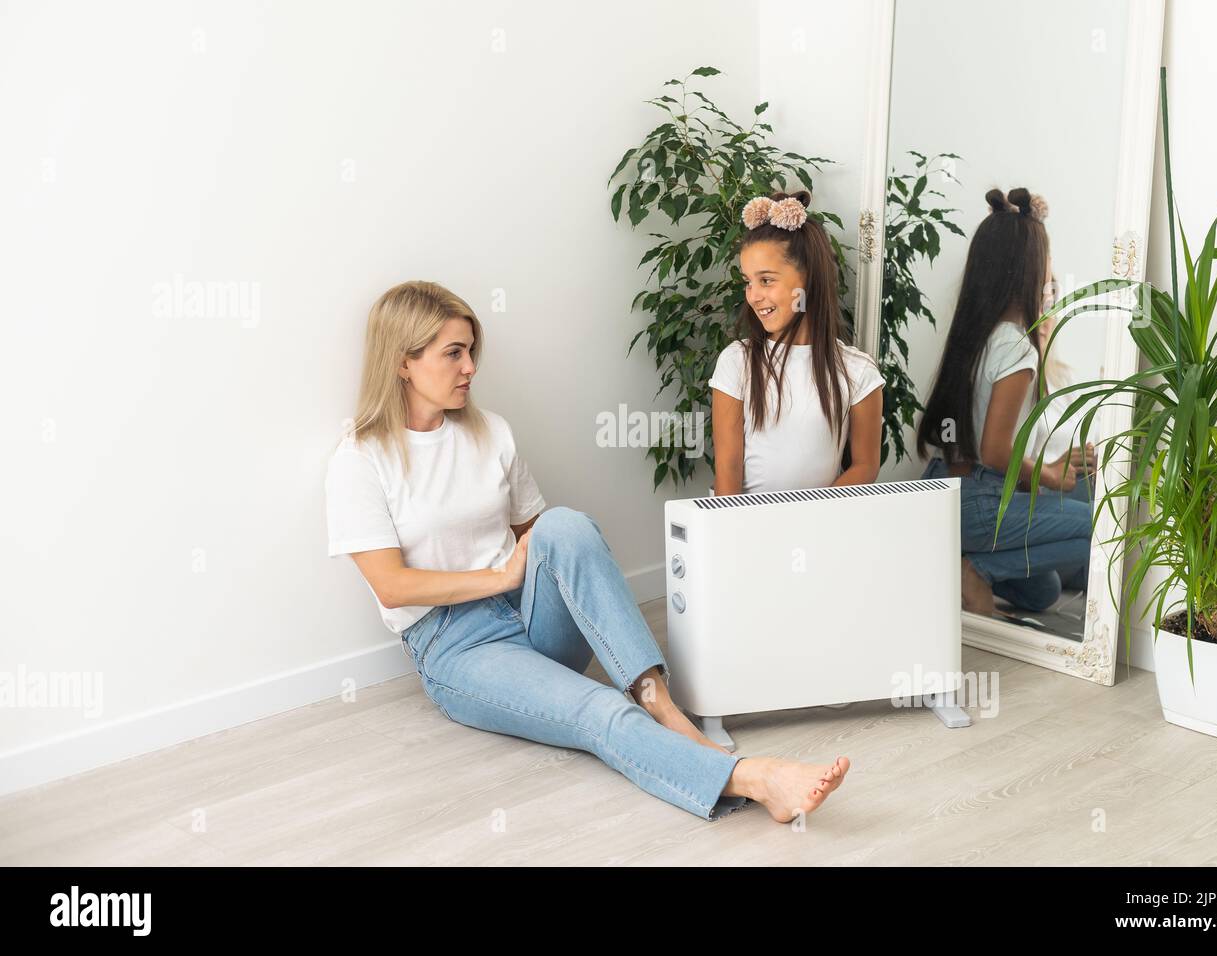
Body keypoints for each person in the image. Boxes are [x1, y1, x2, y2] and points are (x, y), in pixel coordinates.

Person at [324, 279, 850, 823]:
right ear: (403, 362)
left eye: (471, 351)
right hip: (455, 644)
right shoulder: (361, 458)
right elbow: (391, 584)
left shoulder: (490, 432)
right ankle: (755, 778)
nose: (471, 368)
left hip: (528, 614)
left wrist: (519, 576)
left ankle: (661, 704)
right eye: (453, 353)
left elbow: (543, 536)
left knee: (565, 523)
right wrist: (501, 577)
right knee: (597, 707)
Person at [915, 189, 1094, 615]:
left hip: (942, 490)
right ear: (1027, 269)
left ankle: (967, 567)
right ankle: (973, 570)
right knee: (1101, 526)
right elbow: (996, 452)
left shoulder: (978, 335)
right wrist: (1051, 475)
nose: (1051, 277)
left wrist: (1052, 470)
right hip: (977, 502)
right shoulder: (1016, 349)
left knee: (1043, 591)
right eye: (1046, 262)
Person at [710, 190, 884, 496]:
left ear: (808, 280)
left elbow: (865, 465)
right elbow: (728, 469)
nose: (753, 295)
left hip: (819, 528)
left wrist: (804, 517)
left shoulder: (858, 371)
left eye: (766, 280)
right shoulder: (737, 362)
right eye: (748, 282)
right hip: (748, 527)